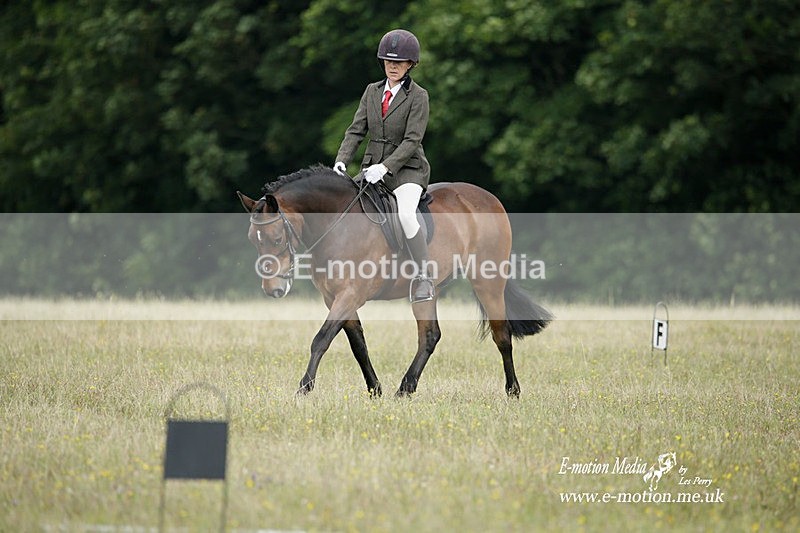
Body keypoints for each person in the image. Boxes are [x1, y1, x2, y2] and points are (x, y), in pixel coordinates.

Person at [333, 29, 434, 303]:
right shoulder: (372, 91)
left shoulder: (418, 96)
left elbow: (413, 140)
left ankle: (423, 277)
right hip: (371, 168)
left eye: (399, 63)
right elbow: (356, 131)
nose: (393, 66)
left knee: (405, 215)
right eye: (389, 62)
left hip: (407, 171)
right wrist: (342, 160)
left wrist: (386, 167)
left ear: (410, 64)